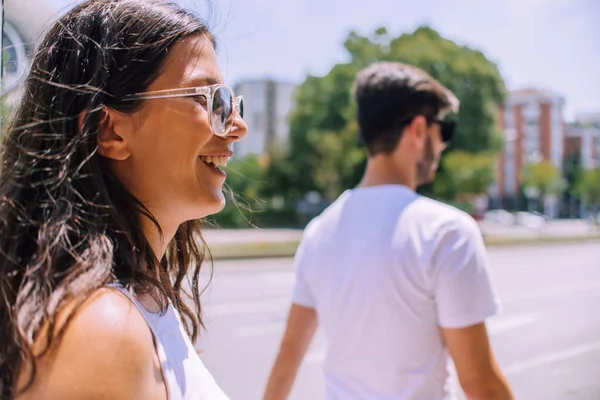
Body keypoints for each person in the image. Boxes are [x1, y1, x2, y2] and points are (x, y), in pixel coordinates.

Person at [0, 1, 247, 399]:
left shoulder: (144, 297)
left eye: (231, 102)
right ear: (110, 130)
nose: (237, 125)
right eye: (208, 100)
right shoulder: (102, 329)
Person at [263, 62, 514, 400]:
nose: (443, 145)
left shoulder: (319, 231)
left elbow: (288, 356)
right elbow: (481, 384)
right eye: (445, 130)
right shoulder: (445, 233)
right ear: (418, 129)